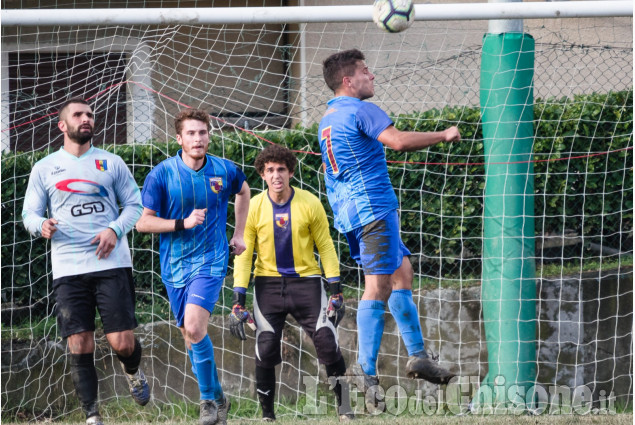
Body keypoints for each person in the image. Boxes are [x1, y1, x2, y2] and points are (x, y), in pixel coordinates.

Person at [318, 49, 460, 411]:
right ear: (348, 80)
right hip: (372, 210)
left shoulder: (328, 118)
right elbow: (396, 141)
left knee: (403, 274)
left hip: (353, 211)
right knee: (378, 286)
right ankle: (367, 376)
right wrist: (443, 134)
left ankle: (417, 356)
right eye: (366, 72)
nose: (372, 77)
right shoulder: (362, 109)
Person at [22, 98, 150, 425]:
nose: (87, 119)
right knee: (79, 342)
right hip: (68, 267)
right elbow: (29, 214)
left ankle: (133, 370)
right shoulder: (45, 167)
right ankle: (92, 416)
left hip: (112, 264)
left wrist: (114, 229)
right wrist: (42, 225)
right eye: (78, 115)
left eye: (90, 115)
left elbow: (134, 205)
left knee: (120, 341)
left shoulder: (111, 162)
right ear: (62, 125)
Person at [135, 108, 250, 425]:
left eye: (202, 132)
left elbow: (243, 191)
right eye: (191, 133)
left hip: (211, 260)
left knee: (195, 327)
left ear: (209, 135)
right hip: (174, 266)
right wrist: (181, 223)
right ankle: (220, 398)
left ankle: (208, 402)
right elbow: (143, 223)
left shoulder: (224, 170)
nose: (198, 139)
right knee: (190, 334)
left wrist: (239, 234)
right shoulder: (161, 174)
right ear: (179, 138)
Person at [228, 144, 353, 422]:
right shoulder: (253, 207)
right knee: (266, 347)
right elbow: (244, 255)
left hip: (307, 285)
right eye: (270, 170)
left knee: (327, 342)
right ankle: (268, 416)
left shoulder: (310, 202)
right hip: (268, 287)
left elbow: (326, 247)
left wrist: (337, 291)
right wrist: (238, 300)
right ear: (262, 174)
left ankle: (345, 408)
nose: (276, 175)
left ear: (291, 172)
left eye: (281, 169)